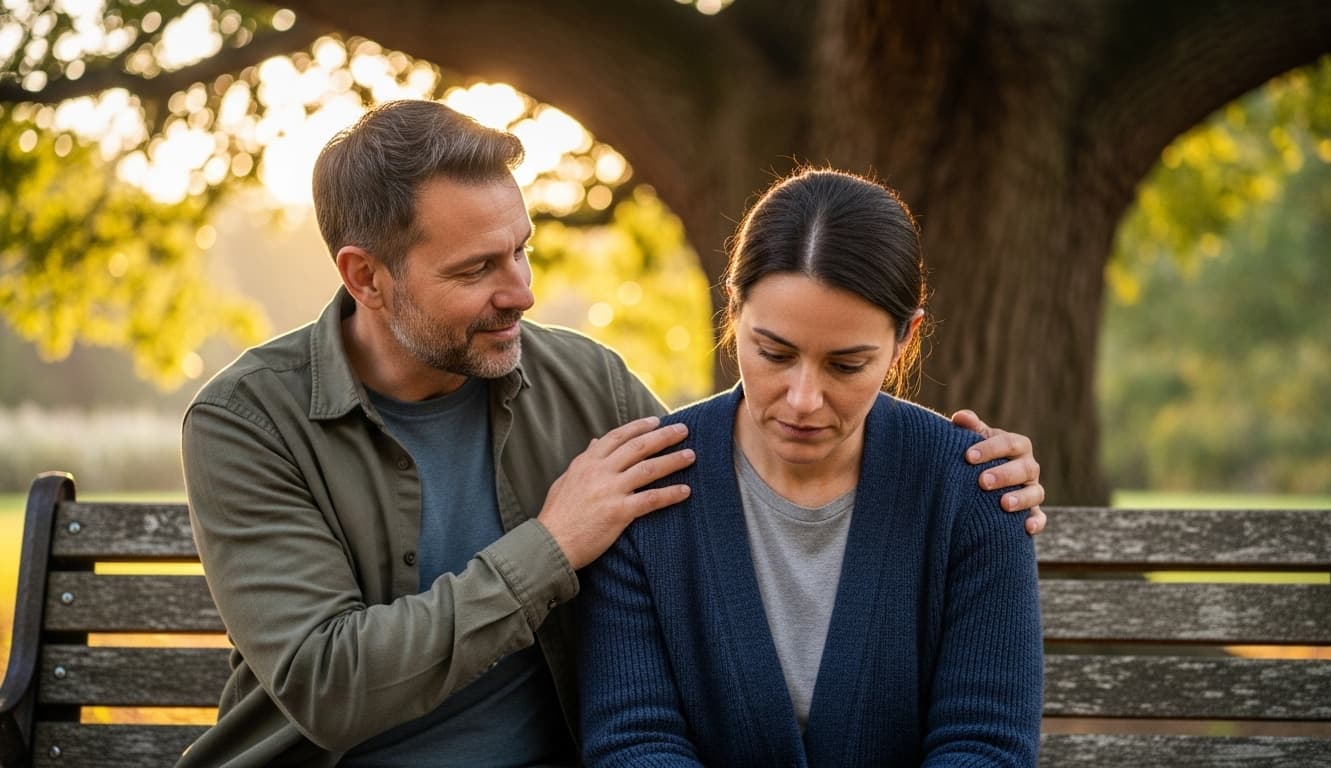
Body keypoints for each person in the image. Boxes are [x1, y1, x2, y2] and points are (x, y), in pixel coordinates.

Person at [177, 100, 1045, 766]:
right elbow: (328, 687)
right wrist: (551, 546)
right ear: (366, 276)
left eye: (520, 249)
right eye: (478, 269)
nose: (519, 291)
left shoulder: (585, 386)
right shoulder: (248, 425)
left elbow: (741, 461)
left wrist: (987, 476)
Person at [577, 168, 1044, 766]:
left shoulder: (977, 493)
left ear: (905, 339)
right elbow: (634, 741)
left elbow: (986, 745)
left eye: (846, 365)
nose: (802, 399)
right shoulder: (645, 489)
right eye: (774, 353)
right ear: (733, 309)